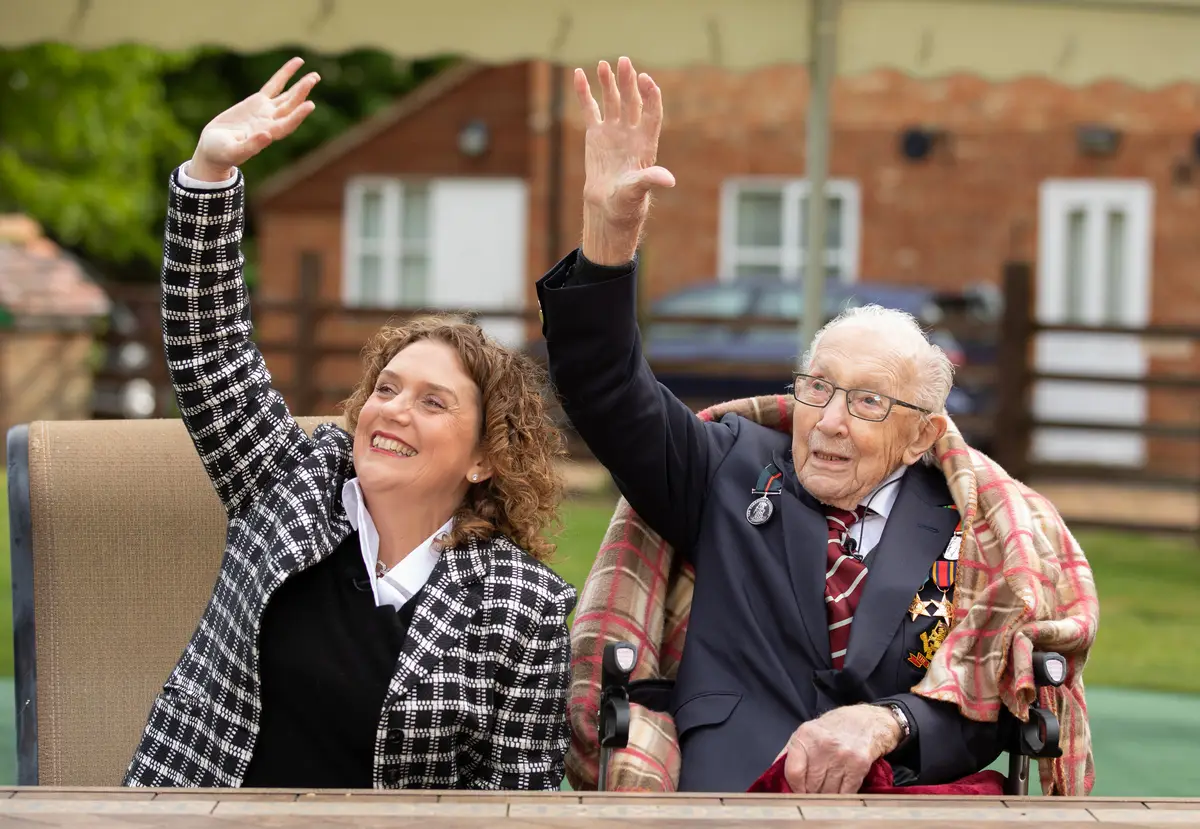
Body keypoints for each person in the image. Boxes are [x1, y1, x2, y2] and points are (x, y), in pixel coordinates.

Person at [535, 57, 1096, 795]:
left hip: (906, 804)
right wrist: (608, 237)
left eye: (867, 402)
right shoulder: (727, 466)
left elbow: (992, 708)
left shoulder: (972, 523)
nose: (828, 421)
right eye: (818, 388)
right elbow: (606, 387)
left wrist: (888, 721)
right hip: (728, 798)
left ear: (923, 435)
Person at [123, 58, 576, 790]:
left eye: (433, 402)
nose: (394, 409)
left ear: (484, 458)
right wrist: (209, 174)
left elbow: (516, 799)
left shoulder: (524, 608)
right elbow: (209, 348)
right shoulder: (285, 482)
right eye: (387, 388)